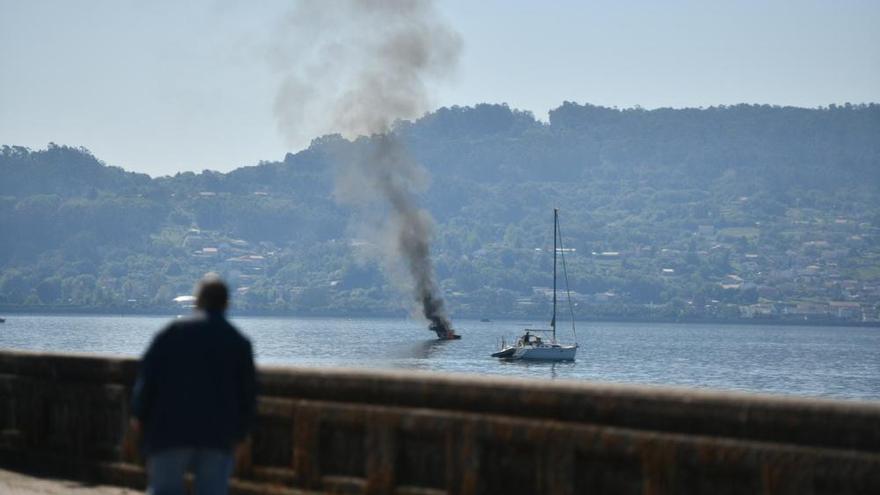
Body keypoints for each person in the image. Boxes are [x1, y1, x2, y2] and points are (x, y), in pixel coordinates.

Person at [130, 274, 256, 495]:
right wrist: (243, 433)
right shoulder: (238, 342)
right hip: (218, 434)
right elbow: (247, 394)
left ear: (197, 300)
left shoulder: (172, 332)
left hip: (169, 429)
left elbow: (148, 377)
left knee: (164, 490)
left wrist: (139, 415)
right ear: (226, 303)